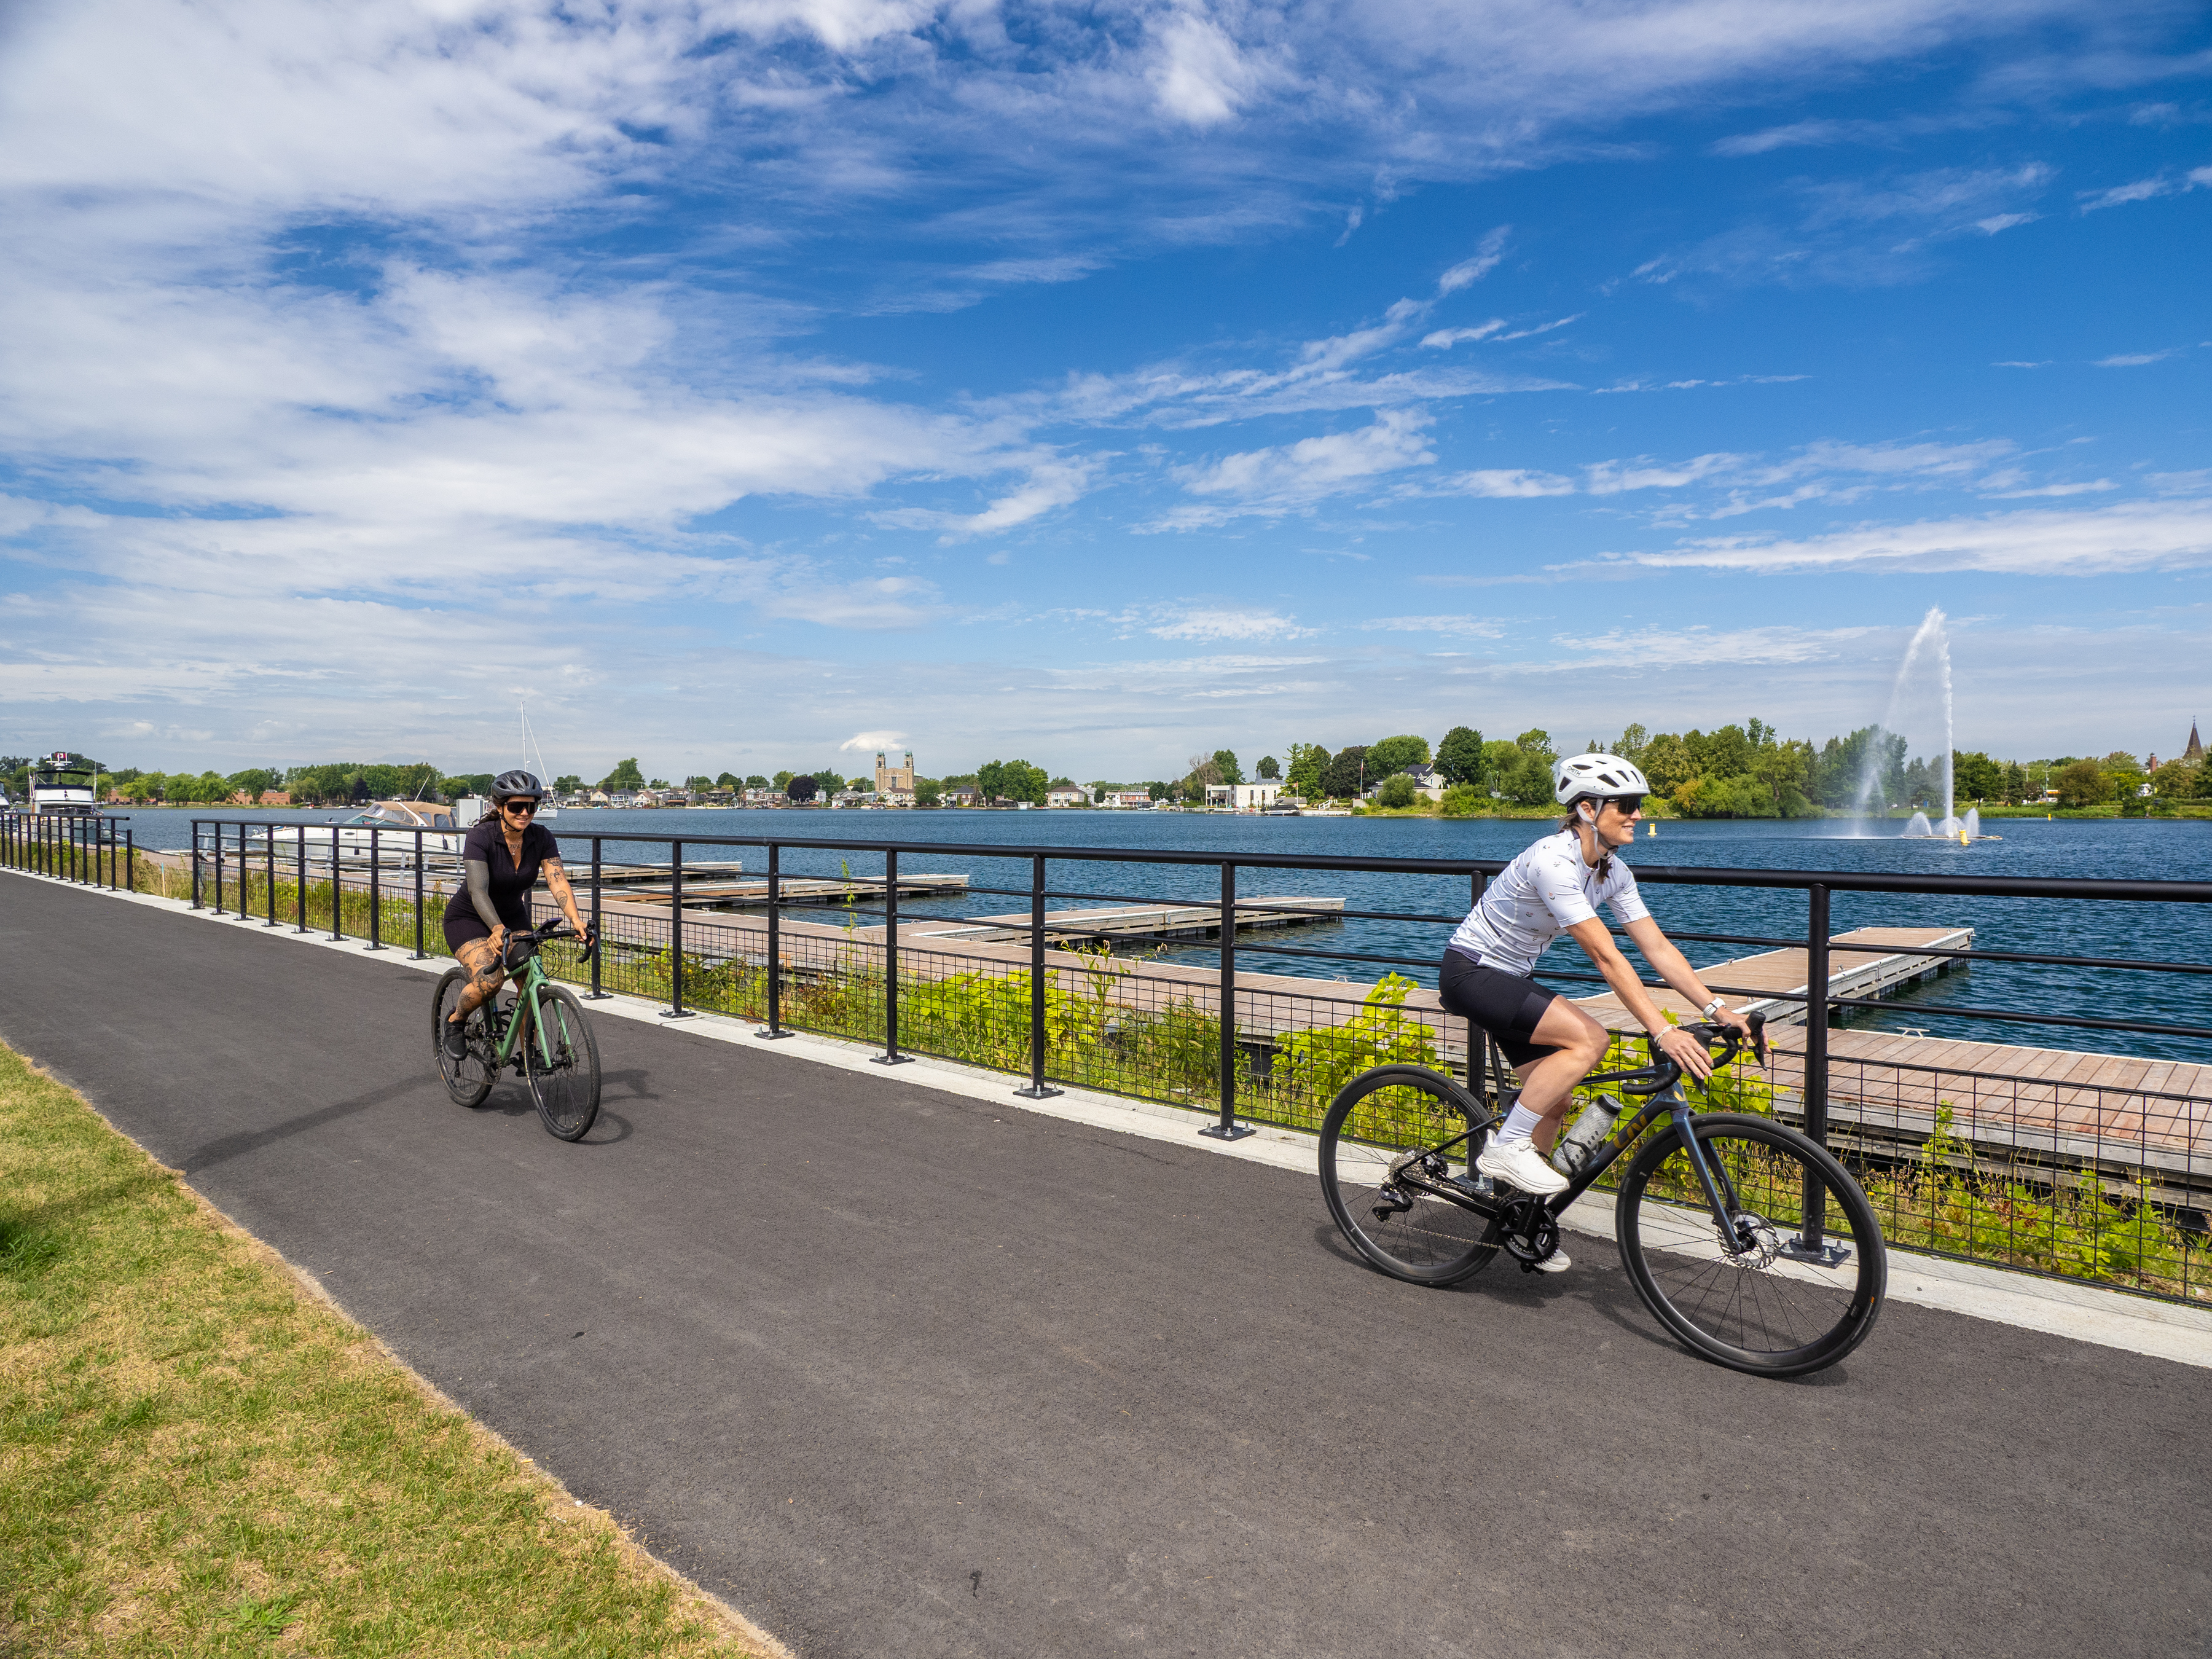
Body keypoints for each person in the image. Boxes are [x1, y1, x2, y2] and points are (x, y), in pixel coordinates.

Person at [1440, 752, 1752, 1271]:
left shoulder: (1612, 872)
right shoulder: (1553, 862)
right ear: (1587, 808)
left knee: (1554, 1102)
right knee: (1590, 1040)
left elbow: (1656, 948)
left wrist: (1717, 1009)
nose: (1635, 814)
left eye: (1637, 805)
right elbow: (1607, 957)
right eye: (1625, 805)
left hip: (1510, 976)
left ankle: (1523, 1221)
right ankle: (1506, 1146)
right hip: (1471, 972)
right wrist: (1663, 1031)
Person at [441, 771, 591, 1059]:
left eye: (531, 807)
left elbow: (557, 879)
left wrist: (576, 920)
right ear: (500, 807)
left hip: (512, 917)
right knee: (491, 982)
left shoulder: (541, 837)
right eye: (516, 807)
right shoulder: (481, 836)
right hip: (470, 918)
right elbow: (478, 891)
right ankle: (456, 1020)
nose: (525, 813)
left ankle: (528, 1053)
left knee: (531, 979)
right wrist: (496, 928)